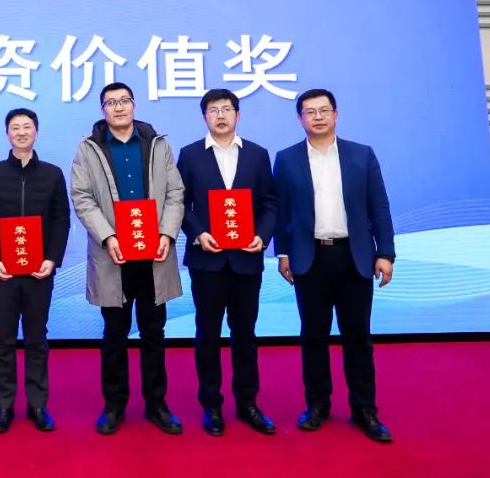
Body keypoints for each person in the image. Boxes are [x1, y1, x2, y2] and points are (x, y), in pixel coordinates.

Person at [273, 88, 395, 442]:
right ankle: (317, 405)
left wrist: (385, 253)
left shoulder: (361, 155)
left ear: (336, 115)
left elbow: (379, 206)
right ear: (300, 119)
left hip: (354, 257)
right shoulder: (287, 159)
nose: (318, 117)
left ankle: (365, 409)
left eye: (324, 110)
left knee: (358, 336)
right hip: (310, 258)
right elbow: (282, 211)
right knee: (313, 336)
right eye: (310, 112)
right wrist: (283, 253)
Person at [70, 82, 185, 436]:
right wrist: (108, 236)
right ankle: (114, 405)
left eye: (124, 101)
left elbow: (175, 193)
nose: (118, 107)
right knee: (114, 333)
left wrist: (166, 234)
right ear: (102, 110)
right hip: (114, 256)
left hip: (154, 255)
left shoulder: (158, 145)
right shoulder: (89, 148)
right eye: (111, 102)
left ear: (134, 105)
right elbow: (82, 197)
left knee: (154, 332)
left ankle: (157, 404)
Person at [177, 89, 278, 437]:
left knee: (245, 333)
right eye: (213, 110)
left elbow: (269, 203)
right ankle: (211, 404)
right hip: (208, 260)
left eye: (226, 109)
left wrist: (262, 236)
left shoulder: (257, 154)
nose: (220, 115)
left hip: (247, 259)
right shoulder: (190, 154)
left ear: (238, 115)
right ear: (204, 116)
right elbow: (180, 204)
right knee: (207, 333)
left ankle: (248, 403)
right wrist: (198, 233)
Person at [0, 108, 70, 433]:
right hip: (2, 272)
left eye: (27, 127)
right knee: (3, 340)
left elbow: (61, 219)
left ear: (36, 132)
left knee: (37, 338)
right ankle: (4, 406)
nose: (21, 132)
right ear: (7, 134)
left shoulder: (53, 174)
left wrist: (52, 259)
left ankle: (38, 404)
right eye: (15, 127)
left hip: (40, 271)